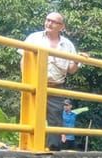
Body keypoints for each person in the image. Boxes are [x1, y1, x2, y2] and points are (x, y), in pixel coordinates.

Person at [20, 12, 89, 150]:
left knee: (56, 119)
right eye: (47, 20)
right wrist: (26, 81)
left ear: (61, 26)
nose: (49, 23)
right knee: (31, 116)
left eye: (53, 22)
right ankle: (28, 147)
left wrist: (77, 61)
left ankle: (52, 149)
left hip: (56, 86)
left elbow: (71, 70)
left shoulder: (67, 45)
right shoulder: (34, 38)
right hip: (34, 83)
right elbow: (23, 60)